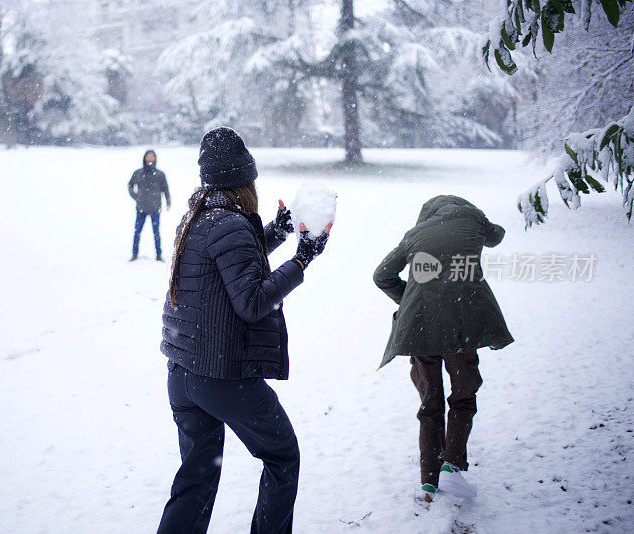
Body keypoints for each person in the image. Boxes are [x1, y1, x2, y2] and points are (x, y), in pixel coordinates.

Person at [157, 127, 332, 534]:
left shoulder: (199, 216)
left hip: (183, 376)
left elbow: (234, 258)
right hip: (221, 377)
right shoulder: (231, 224)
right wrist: (303, 259)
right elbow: (252, 300)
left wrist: (278, 230)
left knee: (196, 478)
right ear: (243, 181)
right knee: (282, 456)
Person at [373, 195, 514, 502]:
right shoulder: (474, 222)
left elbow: (381, 276)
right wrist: (481, 221)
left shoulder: (414, 235)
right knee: (463, 396)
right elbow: (498, 236)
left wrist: (411, 302)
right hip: (462, 327)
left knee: (430, 404)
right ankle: (451, 465)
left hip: (421, 329)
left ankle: (428, 480)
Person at [128, 149, 170, 261]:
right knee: (137, 232)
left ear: (155, 158)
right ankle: (134, 254)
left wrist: (168, 201)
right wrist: (136, 197)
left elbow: (165, 188)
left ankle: (159, 255)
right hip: (141, 208)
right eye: (148, 156)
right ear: (144, 158)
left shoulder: (160, 174)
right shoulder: (138, 173)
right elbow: (130, 185)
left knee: (156, 233)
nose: (150, 158)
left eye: (152, 156)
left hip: (155, 208)